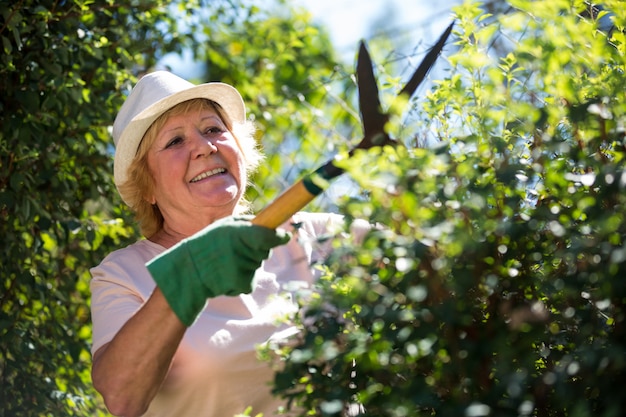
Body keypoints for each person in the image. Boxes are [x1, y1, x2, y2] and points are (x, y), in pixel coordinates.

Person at [89, 70, 365, 417]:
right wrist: (191, 272)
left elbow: (435, 258)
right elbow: (121, 396)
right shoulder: (124, 274)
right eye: (175, 141)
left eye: (213, 129)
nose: (205, 147)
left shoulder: (310, 235)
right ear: (147, 187)